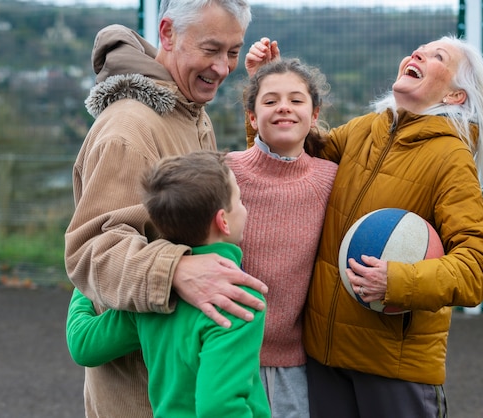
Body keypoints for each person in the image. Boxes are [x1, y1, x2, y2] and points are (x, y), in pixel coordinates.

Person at [245, 35, 483, 417]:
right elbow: (288, 155)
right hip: (325, 358)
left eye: (438, 56)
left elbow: (478, 266)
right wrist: (271, 85)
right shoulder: (365, 130)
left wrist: (397, 281)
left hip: (392, 369)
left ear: (454, 97)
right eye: (420, 48)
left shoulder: (450, 157)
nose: (418, 53)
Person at [64, 2, 268, 417]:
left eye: (233, 51)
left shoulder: (190, 112)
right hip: (139, 398)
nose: (224, 67)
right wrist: (174, 270)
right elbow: (91, 252)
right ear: (168, 33)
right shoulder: (128, 131)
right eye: (211, 49)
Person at [66, 151, 270, 418]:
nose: (244, 208)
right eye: (240, 200)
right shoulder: (237, 299)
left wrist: (87, 283)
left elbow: (84, 344)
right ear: (223, 221)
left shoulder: (151, 300)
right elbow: (219, 407)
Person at [227, 58, 337, 417]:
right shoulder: (224, 172)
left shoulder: (332, 179)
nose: (284, 108)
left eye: (296, 100)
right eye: (270, 101)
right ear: (252, 117)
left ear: (315, 113)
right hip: (226, 354)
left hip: (297, 365)